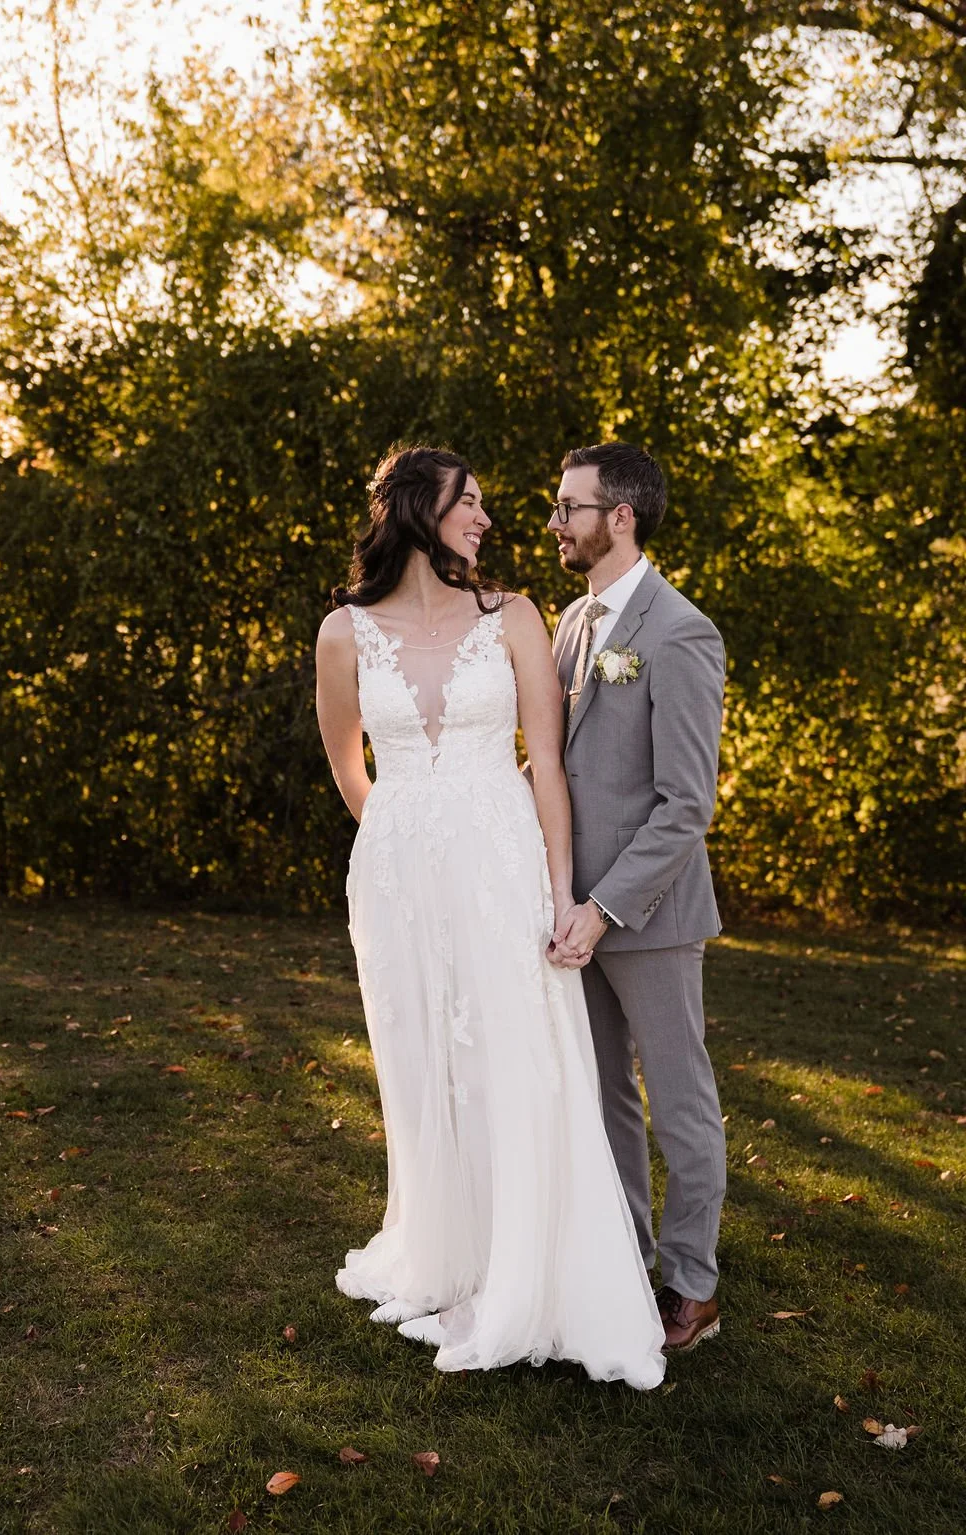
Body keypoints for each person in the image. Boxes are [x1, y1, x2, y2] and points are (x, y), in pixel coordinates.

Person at [315, 443, 665, 1386]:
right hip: (396, 884)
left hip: (503, 867)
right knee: (425, 1059)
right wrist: (398, 831)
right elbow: (349, 765)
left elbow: (547, 766)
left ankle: (529, 1267)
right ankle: (447, 1248)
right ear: (418, 511)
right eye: (468, 502)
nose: (485, 518)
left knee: (514, 1056)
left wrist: (560, 892)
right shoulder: (343, 632)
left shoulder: (511, 616)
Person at [549, 442, 727, 1352]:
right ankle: (627, 1258)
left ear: (619, 516)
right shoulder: (572, 624)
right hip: (568, 915)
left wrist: (606, 907)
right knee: (604, 1095)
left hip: (647, 917)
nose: (555, 524)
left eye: (570, 508)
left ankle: (692, 1285)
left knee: (679, 1099)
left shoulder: (680, 631)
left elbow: (685, 804)